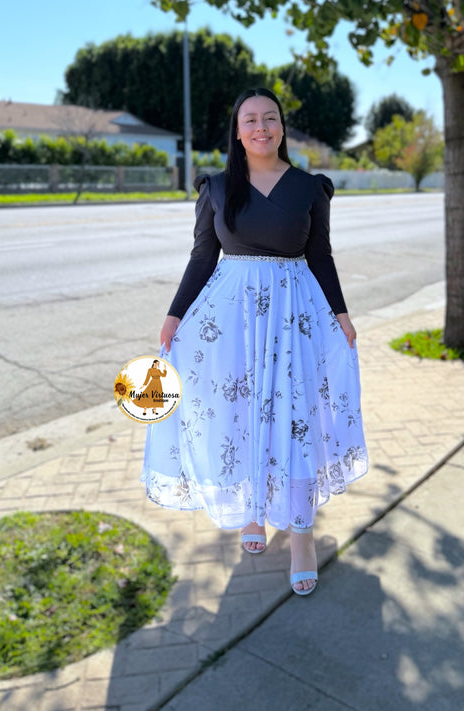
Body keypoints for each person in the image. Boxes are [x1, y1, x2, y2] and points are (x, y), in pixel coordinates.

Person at [141, 87, 368, 595]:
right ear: (238, 132)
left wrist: (342, 314)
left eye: (270, 118)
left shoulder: (310, 188)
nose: (261, 127)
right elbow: (203, 257)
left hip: (295, 316)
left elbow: (321, 256)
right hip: (232, 320)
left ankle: (302, 535)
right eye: (250, 120)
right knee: (240, 416)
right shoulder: (218, 187)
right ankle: (252, 512)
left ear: (281, 127)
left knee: (295, 418)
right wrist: (175, 316)